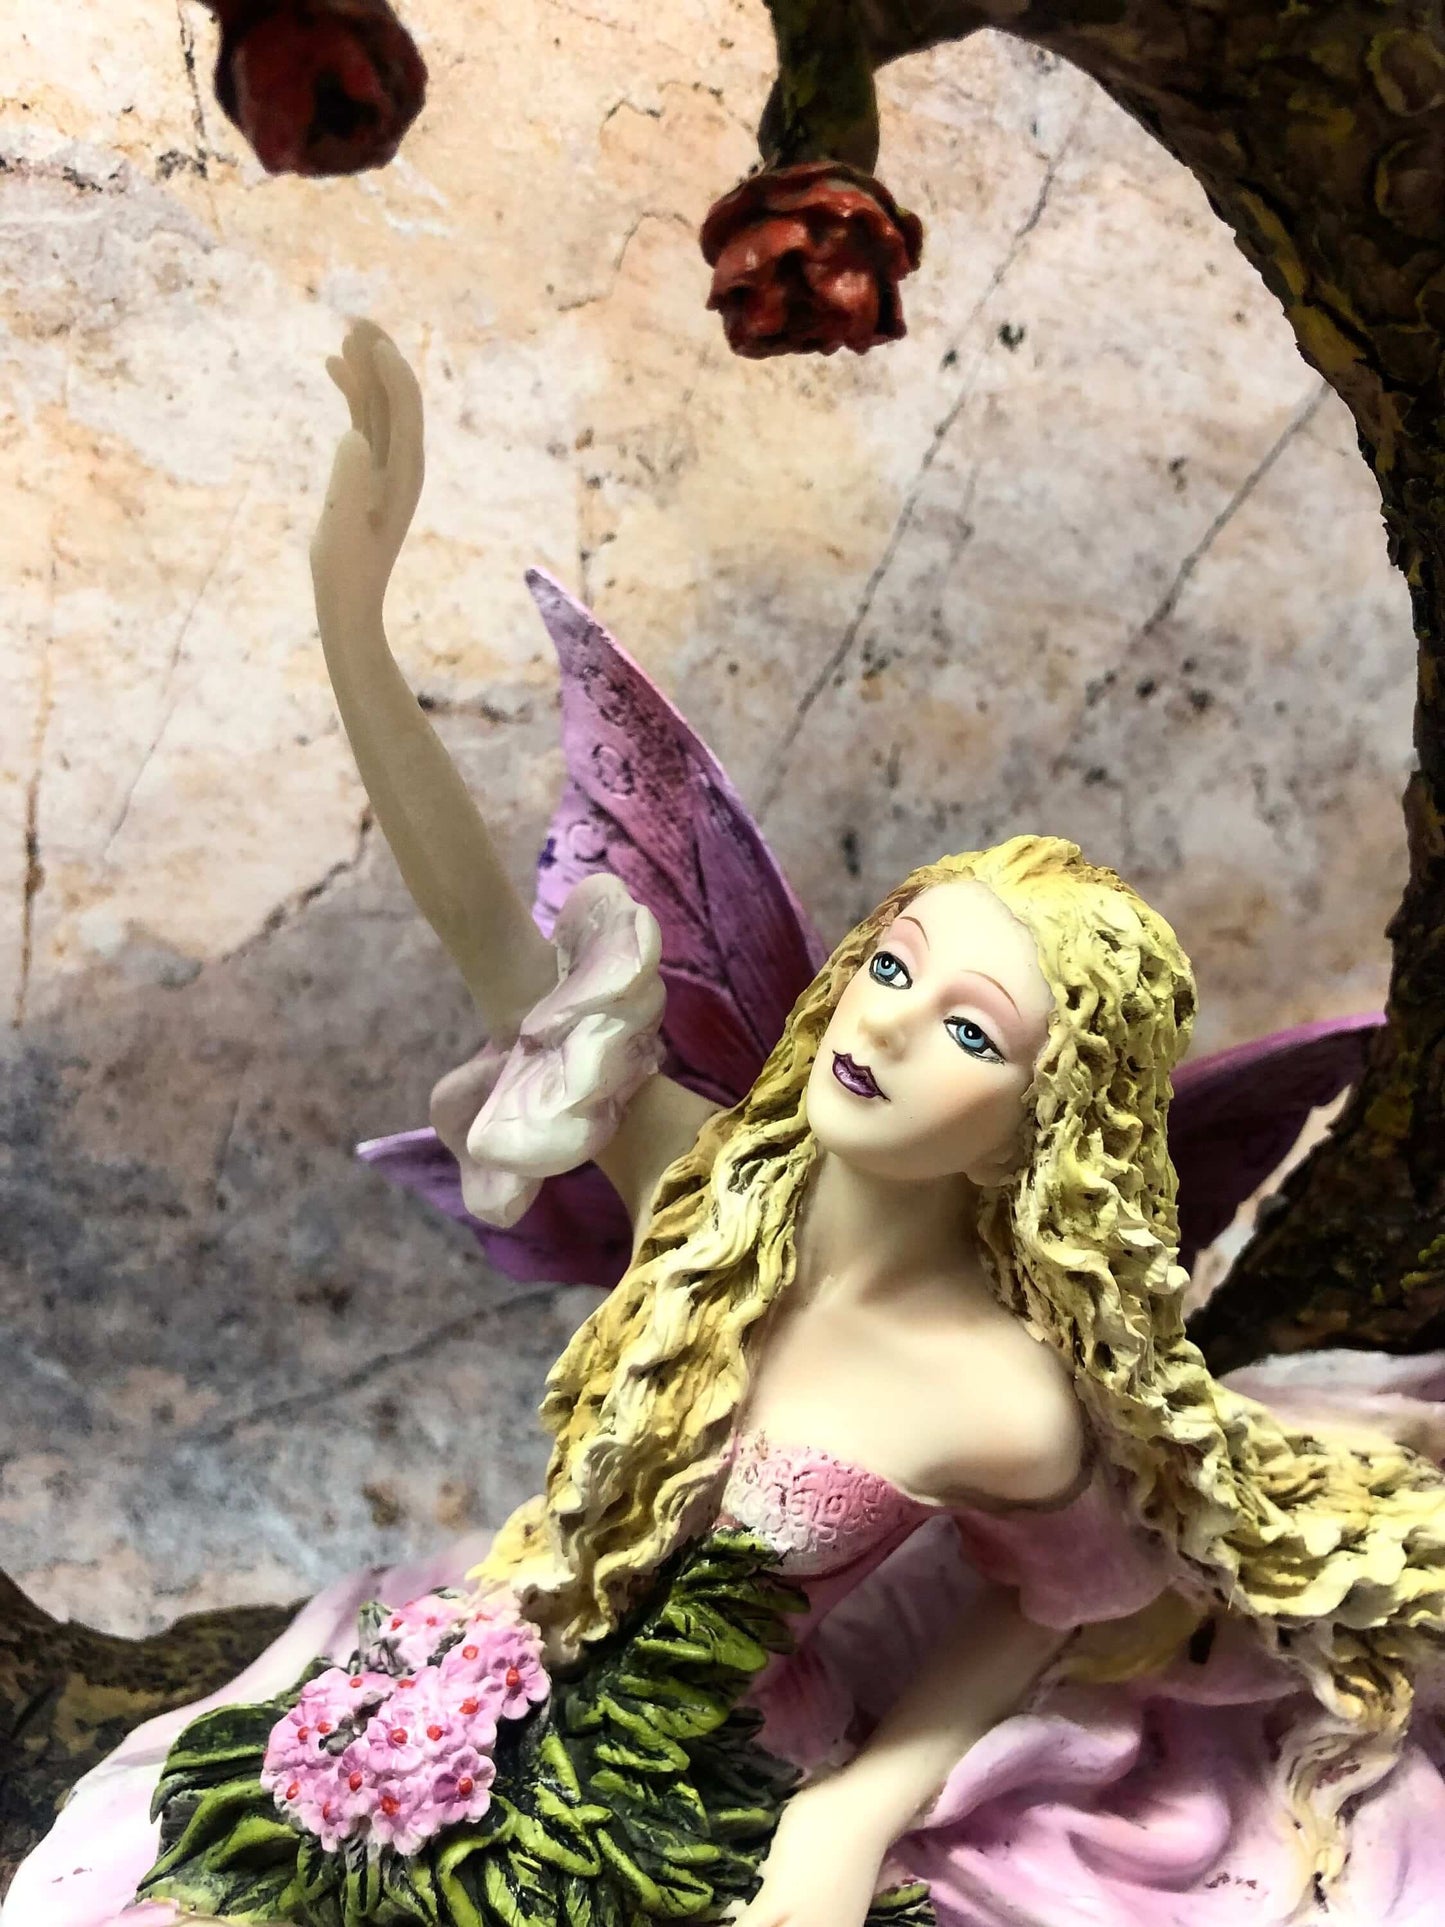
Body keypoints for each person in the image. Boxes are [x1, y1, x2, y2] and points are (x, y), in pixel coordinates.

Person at [9, 325, 1445, 1927]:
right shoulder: (703, 1183)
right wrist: (351, 609)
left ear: (1030, 1131)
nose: (885, 1023)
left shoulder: (1006, 1396)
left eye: (969, 1029)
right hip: (474, 1692)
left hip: (694, 1792)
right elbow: (485, 931)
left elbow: (1042, 1605)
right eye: (889, 967)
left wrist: (857, 1812)